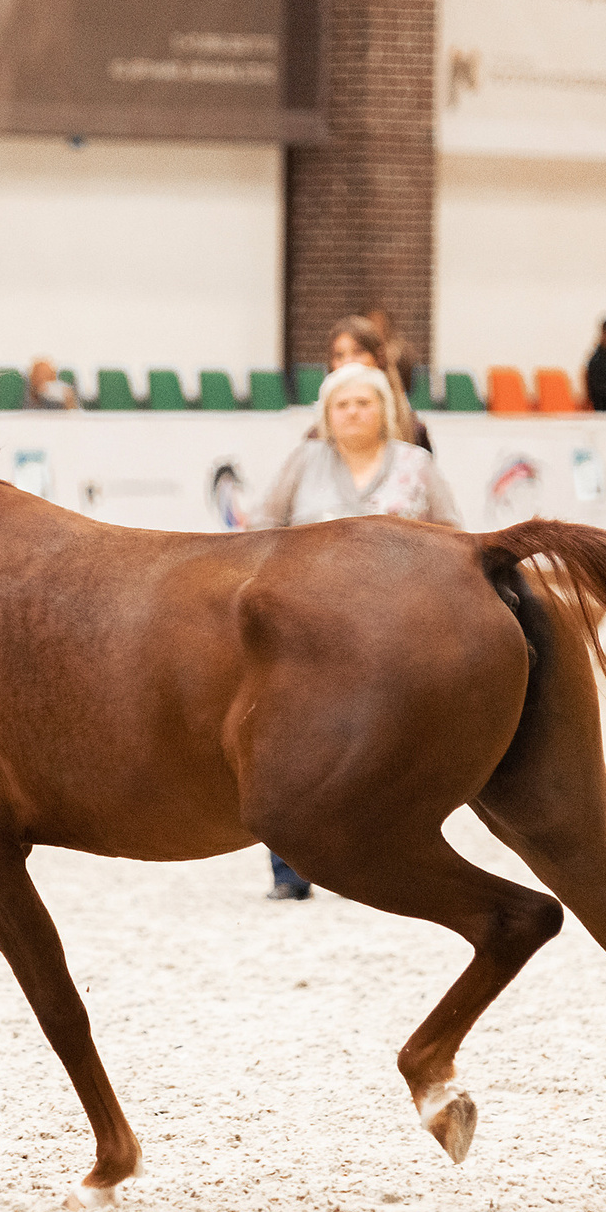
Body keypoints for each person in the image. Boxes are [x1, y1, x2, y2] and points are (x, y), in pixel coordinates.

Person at [252, 361, 463, 900]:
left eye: (364, 402)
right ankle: (290, 870)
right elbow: (261, 527)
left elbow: (454, 537)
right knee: (291, 745)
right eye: (341, 404)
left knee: (382, 747)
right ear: (326, 415)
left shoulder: (416, 464)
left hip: (401, 634)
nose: (353, 411)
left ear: (385, 412)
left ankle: (376, 858)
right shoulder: (304, 460)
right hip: (310, 634)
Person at [322, 315, 426, 449]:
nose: (348, 362)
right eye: (339, 355)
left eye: (358, 352)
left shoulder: (414, 431)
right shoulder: (317, 437)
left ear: (378, 358)